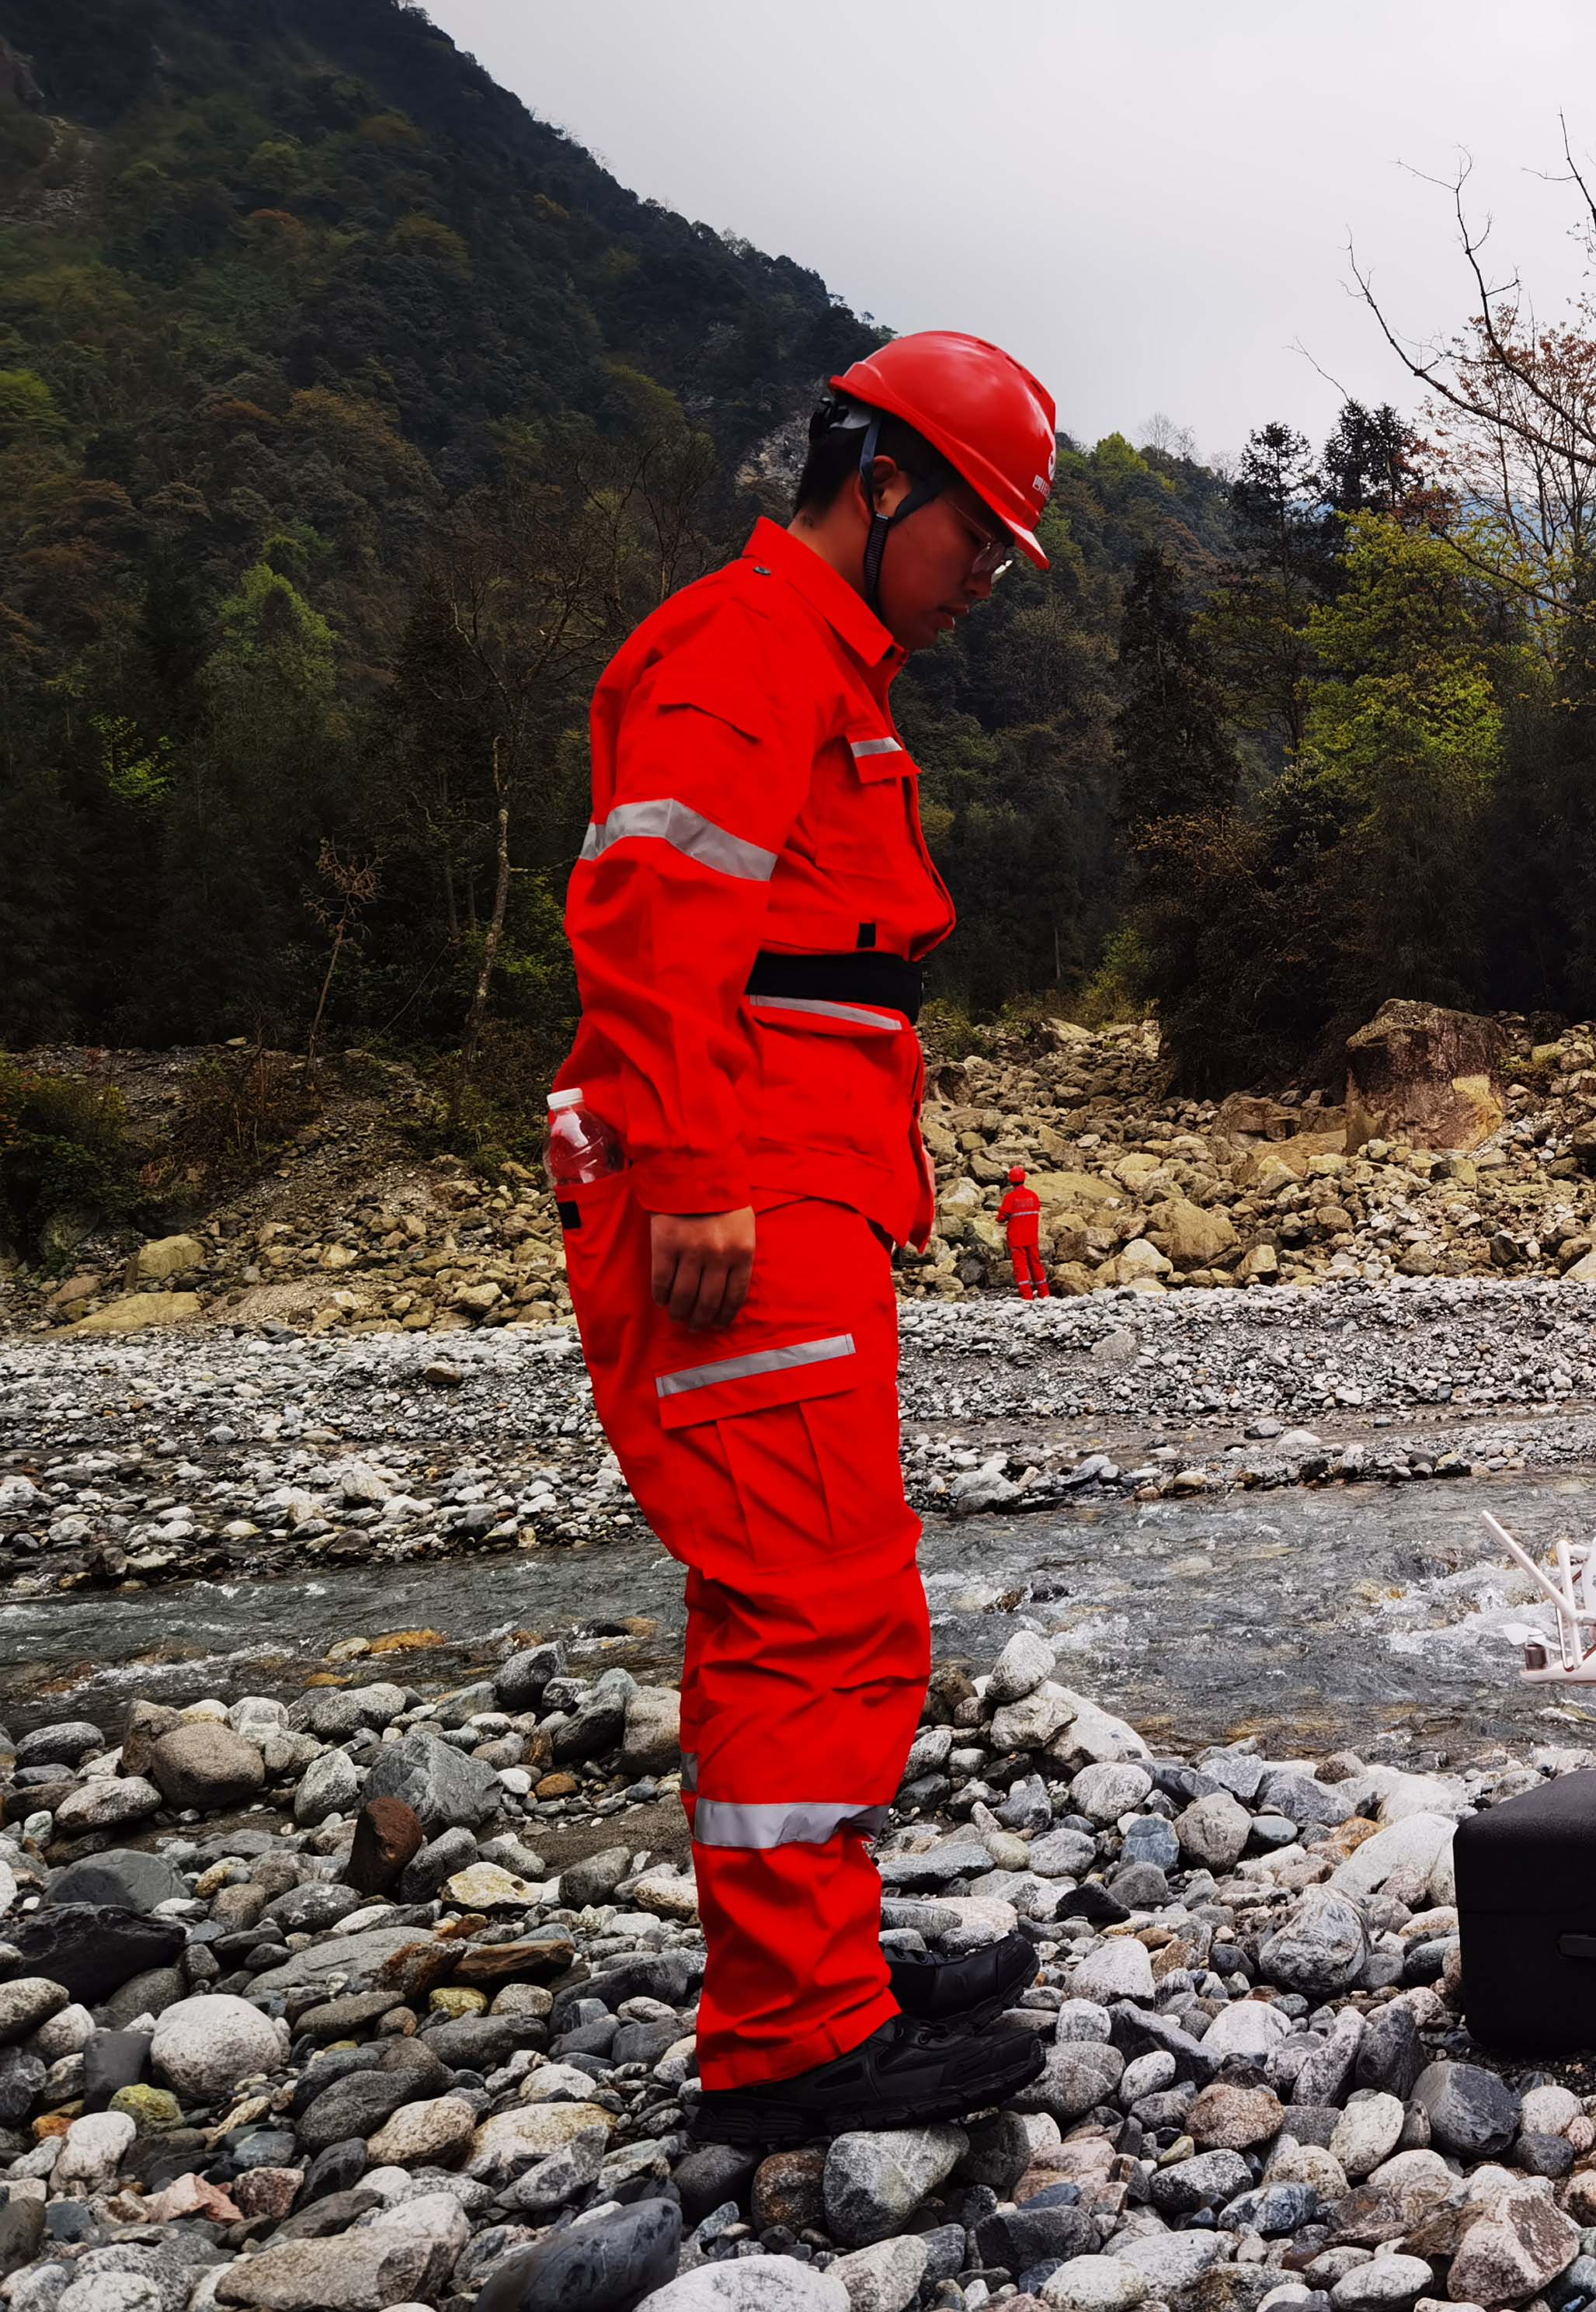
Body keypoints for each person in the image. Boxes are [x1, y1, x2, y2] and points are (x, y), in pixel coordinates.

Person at [550, 331, 1062, 2146]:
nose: (989, 577)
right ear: (885, 481)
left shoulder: (819, 659)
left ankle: (815, 1968)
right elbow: (650, 901)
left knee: (823, 1594)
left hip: (787, 1177)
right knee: (812, 1607)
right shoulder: (750, 644)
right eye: (982, 538)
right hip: (741, 1188)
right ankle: (795, 2034)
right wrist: (688, 1164)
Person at [1000, 1166, 1047, 1299]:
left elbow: (1002, 1217)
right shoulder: (1033, 1196)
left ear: (1010, 1181)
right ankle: (1044, 1292)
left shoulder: (1011, 1198)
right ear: (1024, 1179)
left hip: (1017, 1238)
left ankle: (1027, 1295)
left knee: (1021, 1267)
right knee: (1035, 1263)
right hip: (1032, 1236)